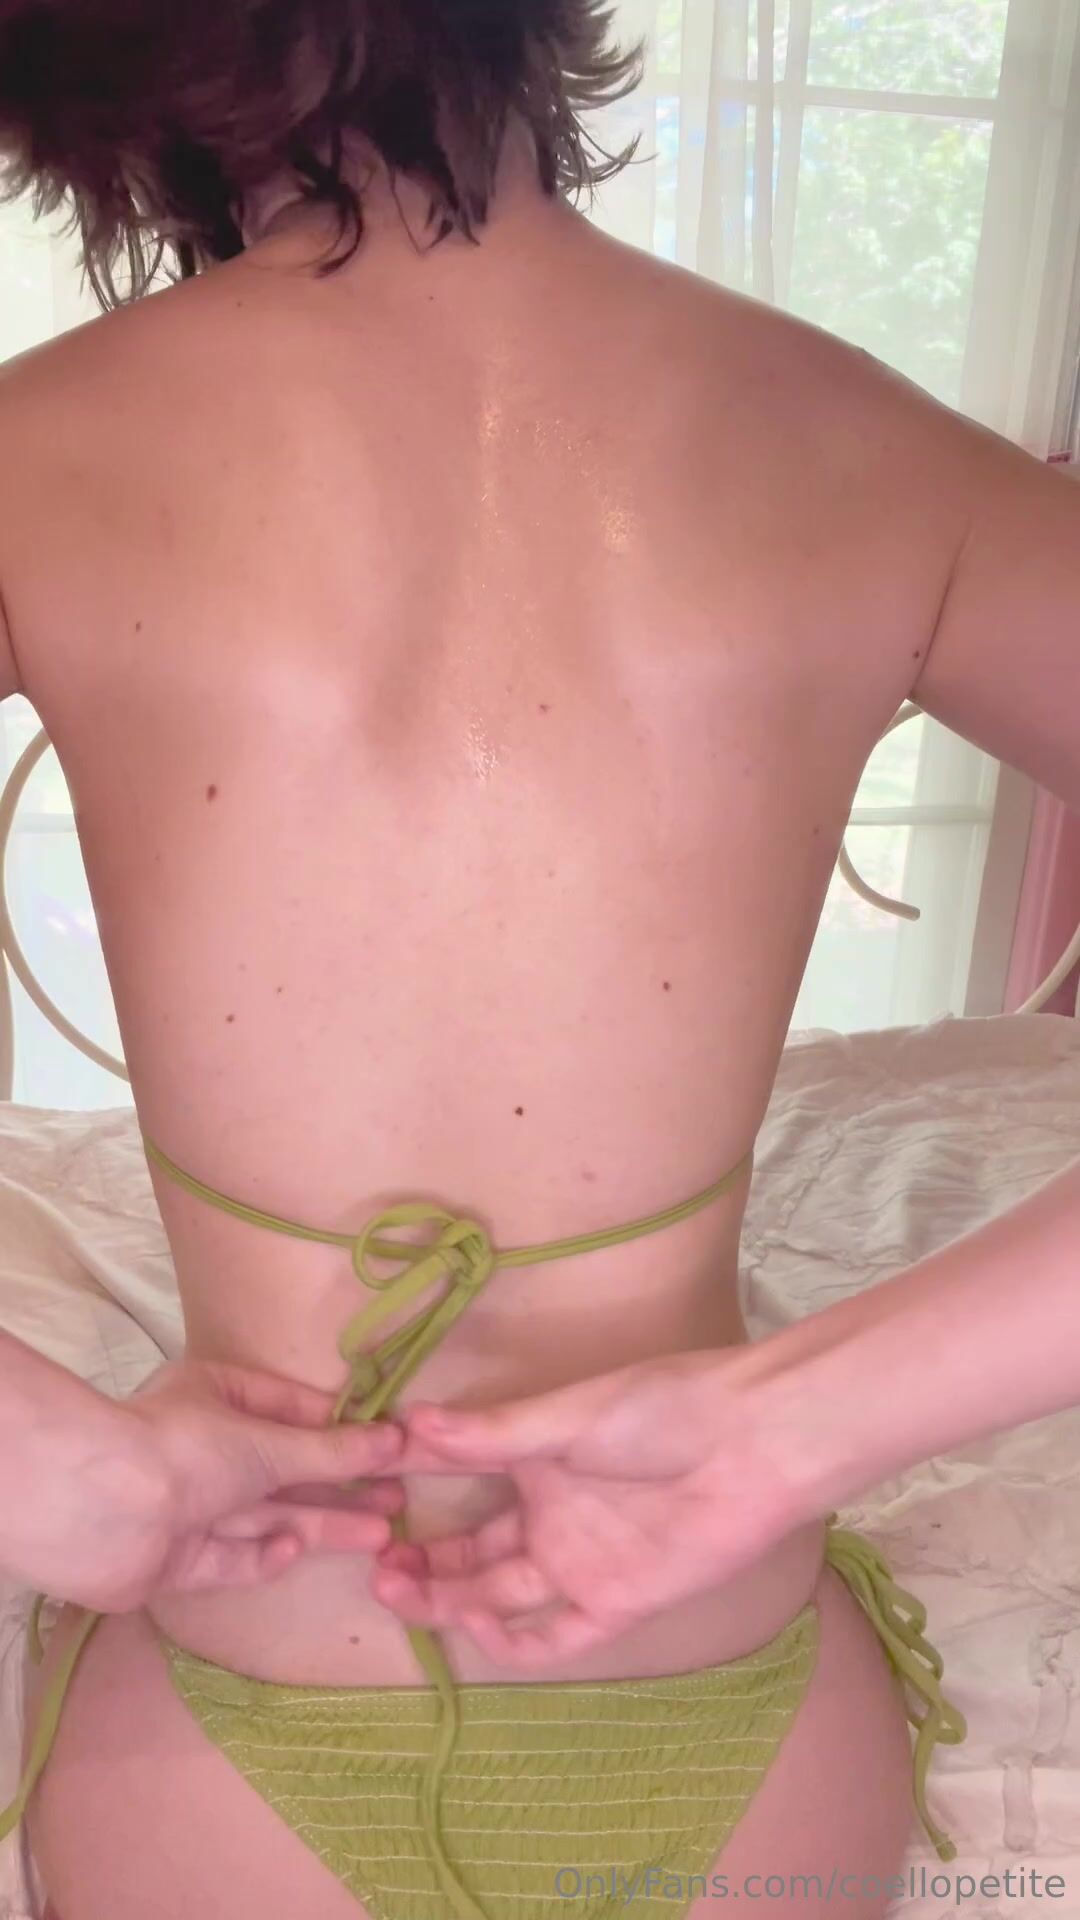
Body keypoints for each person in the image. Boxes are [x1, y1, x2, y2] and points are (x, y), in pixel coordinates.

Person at [0, 2, 1075, 1916]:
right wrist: (809, 1421)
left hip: (238, 1675)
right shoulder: (869, 451)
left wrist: (41, 1459)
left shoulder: (38, 453)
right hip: (722, 1661)